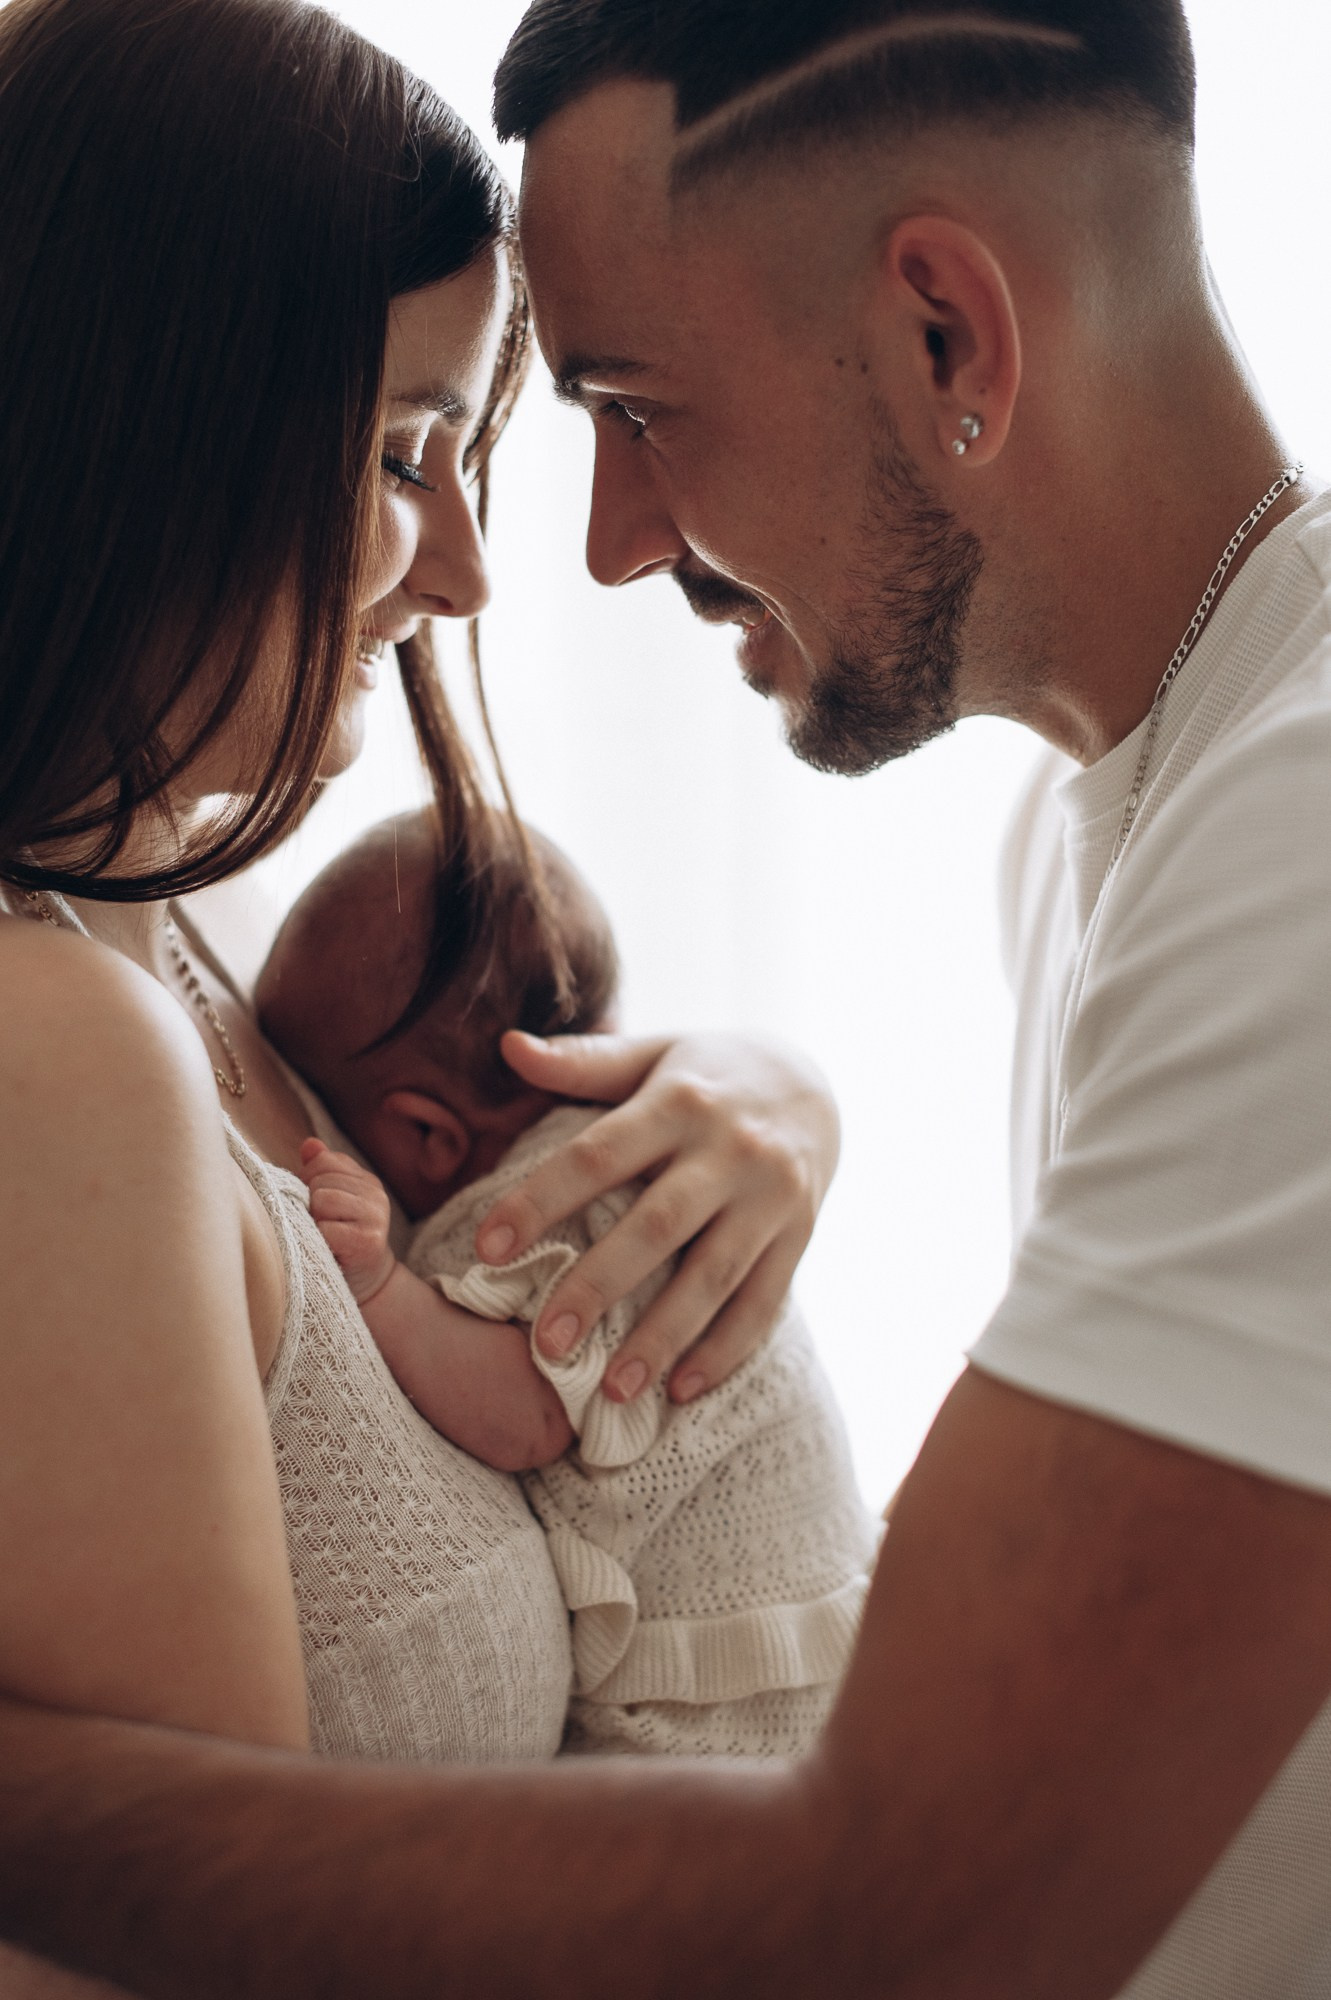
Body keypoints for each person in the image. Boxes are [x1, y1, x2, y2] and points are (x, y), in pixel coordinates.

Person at [4, 0, 1331, 1993]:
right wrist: (758, 1097)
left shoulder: (1295, 838)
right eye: (414, 453)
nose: (597, 548)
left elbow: (915, 1896)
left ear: (945, 338)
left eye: (630, 406)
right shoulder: (1091, 837)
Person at [0, 0, 841, 1991]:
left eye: (464, 455)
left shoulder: (184, 938)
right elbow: (182, 1950)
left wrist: (759, 1095)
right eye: (401, 453)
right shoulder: (58, 1052)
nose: (463, 569)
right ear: (146, 427)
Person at [255, 809, 876, 1757]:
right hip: (825, 1638)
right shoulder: (665, 1129)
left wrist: (383, 1288)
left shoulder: (539, 1200)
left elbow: (529, 1412)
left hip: (724, 1697)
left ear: (426, 1135)